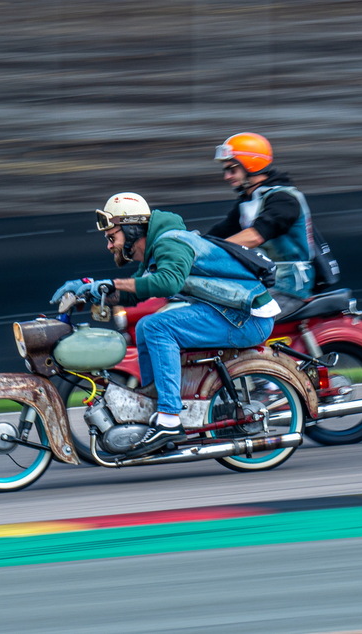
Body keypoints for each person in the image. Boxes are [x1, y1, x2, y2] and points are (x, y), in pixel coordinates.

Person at [51, 192, 280, 457]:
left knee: (159, 326)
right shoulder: (157, 249)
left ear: (132, 229)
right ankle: (154, 406)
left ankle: (169, 420)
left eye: (112, 237)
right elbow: (134, 292)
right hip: (230, 313)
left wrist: (110, 284)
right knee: (145, 326)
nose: (109, 246)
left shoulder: (171, 243)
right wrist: (90, 288)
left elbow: (168, 283)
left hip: (247, 318)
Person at [207, 132, 317, 314]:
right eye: (225, 170)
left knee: (228, 321)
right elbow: (218, 233)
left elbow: (255, 236)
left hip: (288, 289)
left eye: (232, 169)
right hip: (264, 284)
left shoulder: (284, 199)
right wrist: (187, 243)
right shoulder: (249, 201)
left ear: (251, 164)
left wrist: (208, 252)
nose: (227, 176)